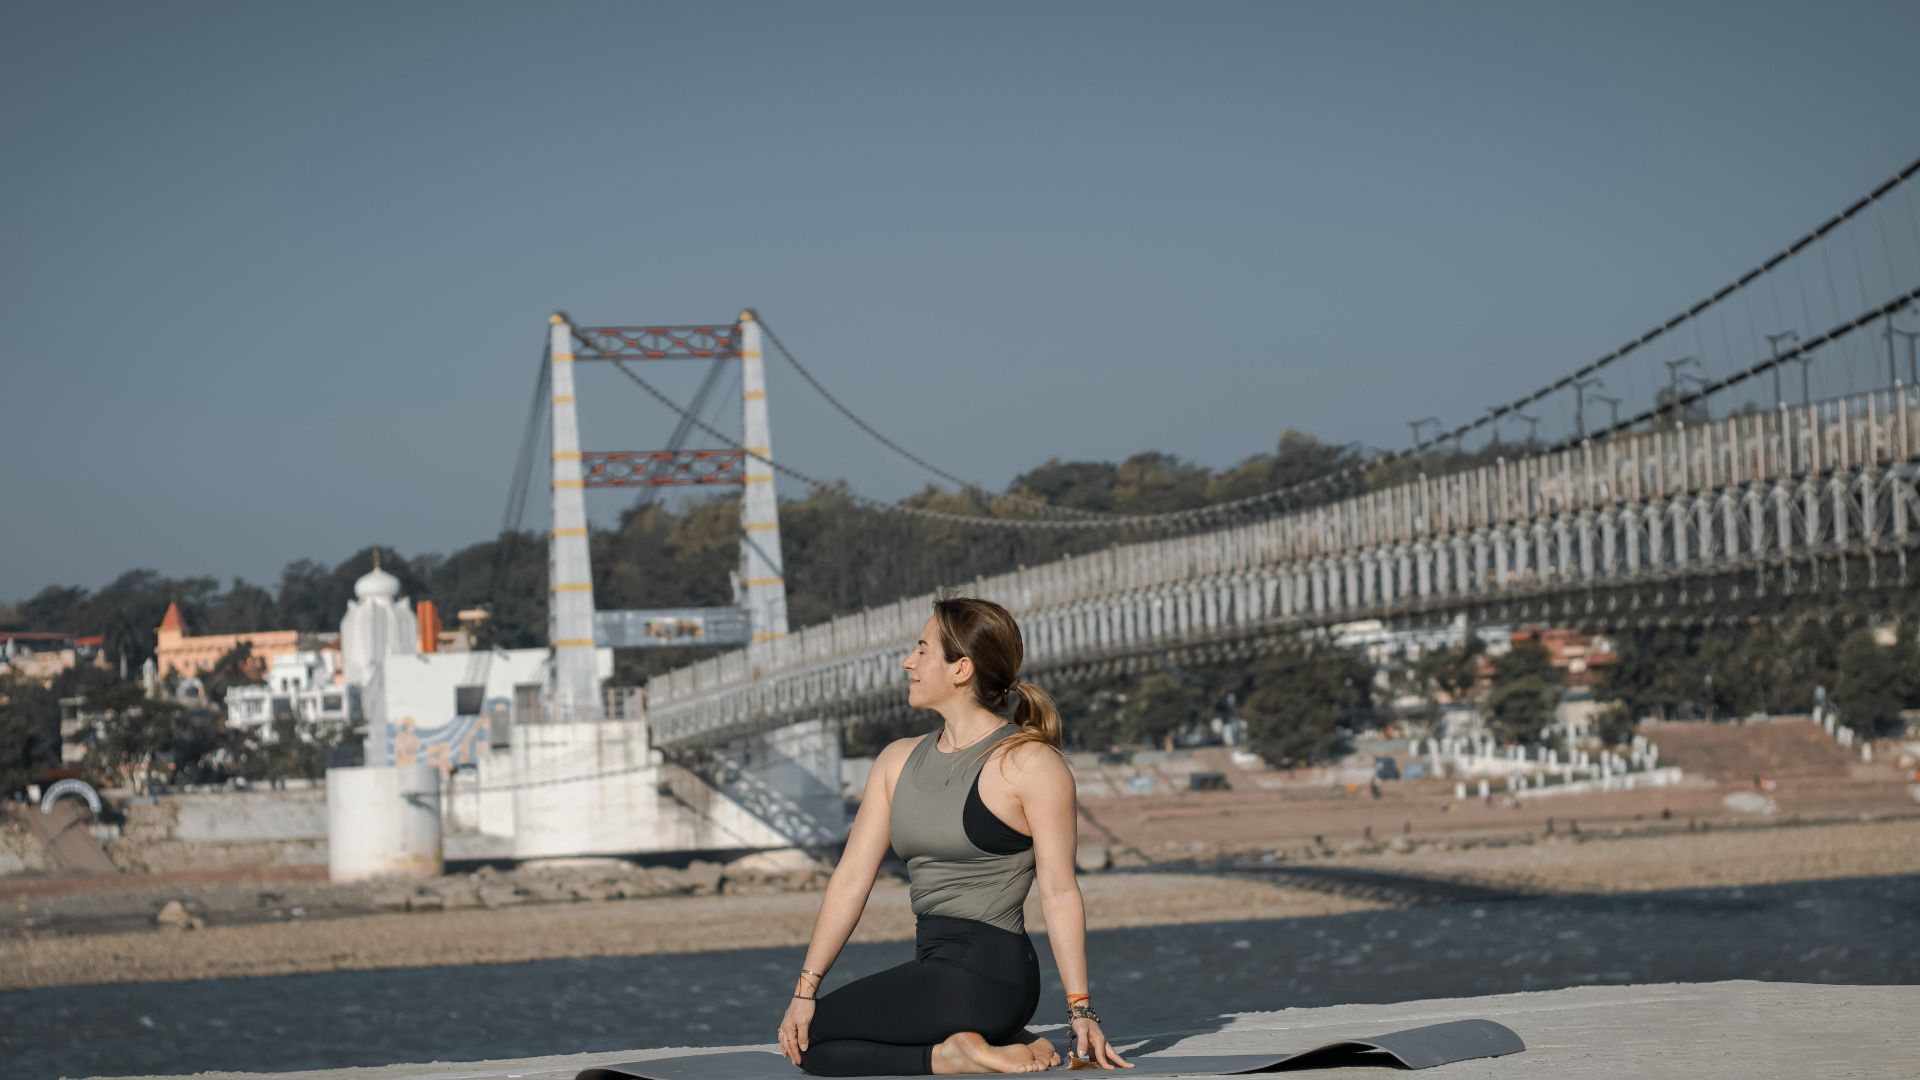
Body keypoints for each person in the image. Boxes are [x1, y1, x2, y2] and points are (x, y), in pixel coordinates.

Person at [776, 596, 1134, 1075]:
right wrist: (805, 990)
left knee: (816, 1040)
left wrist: (1081, 1010)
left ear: (961, 668)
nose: (909, 661)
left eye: (922, 650)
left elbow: (1059, 889)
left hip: (992, 975)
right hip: (937, 969)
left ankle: (951, 1054)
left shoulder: (1028, 764)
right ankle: (991, 1039)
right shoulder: (896, 761)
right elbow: (850, 878)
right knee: (805, 1039)